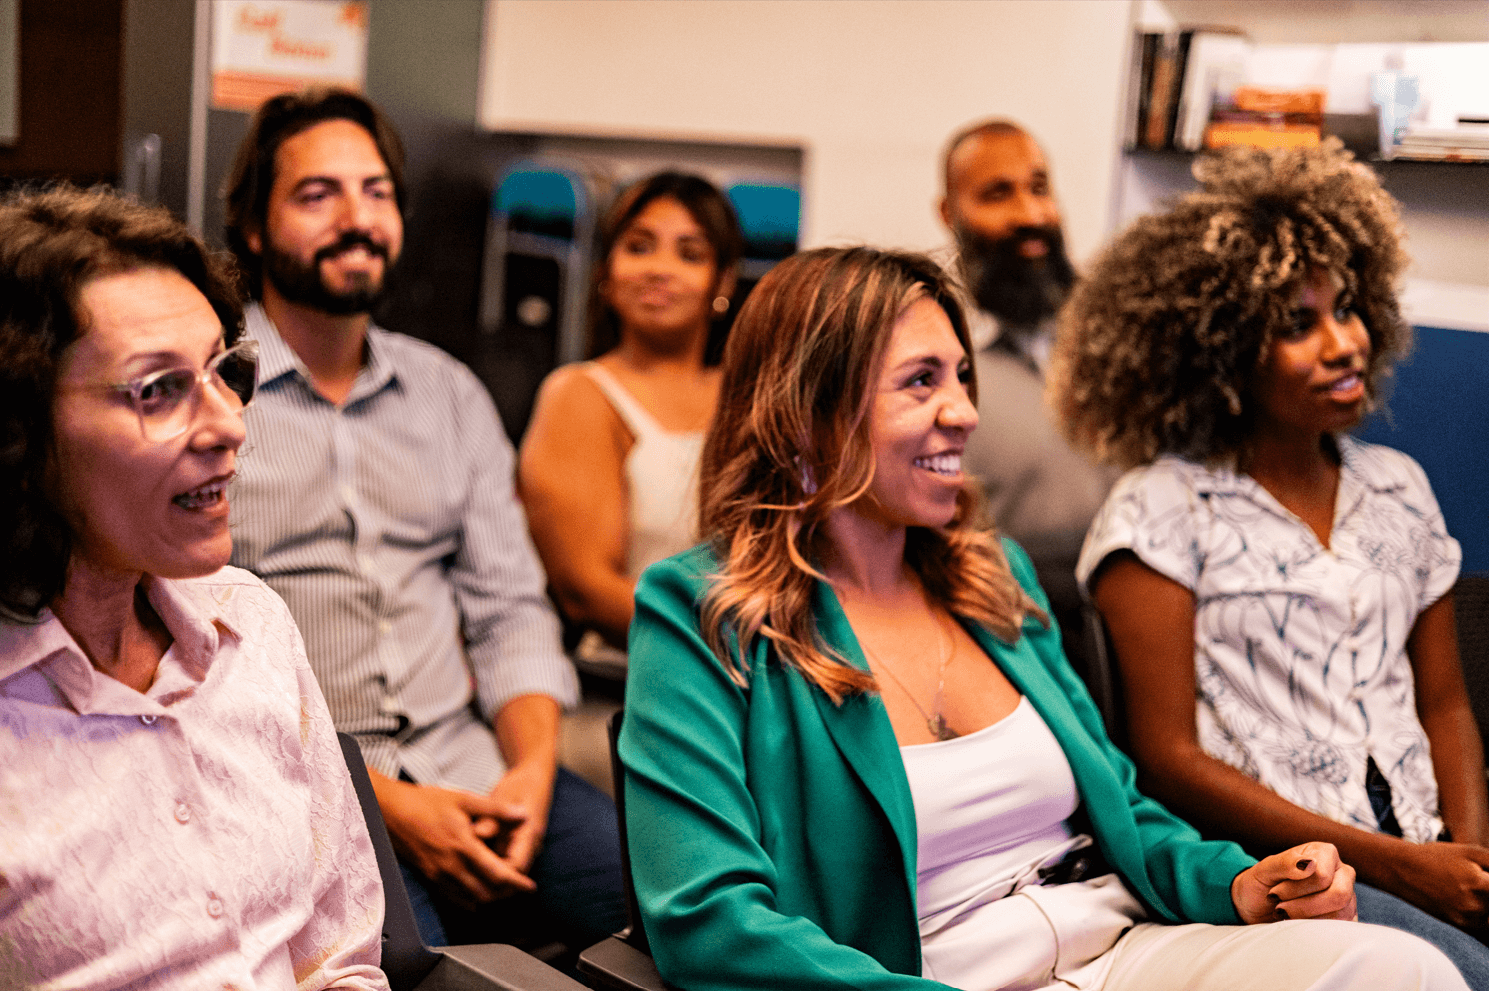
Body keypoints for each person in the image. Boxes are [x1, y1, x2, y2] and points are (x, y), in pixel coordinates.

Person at [619, 244, 1467, 991]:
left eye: (960, 377)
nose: (963, 411)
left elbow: (1125, 813)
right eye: (920, 381)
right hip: (929, 978)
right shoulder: (702, 612)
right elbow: (707, 919)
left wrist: (1245, 882)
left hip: (1121, 949)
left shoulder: (993, 579)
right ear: (807, 410)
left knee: (1402, 967)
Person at [1055, 140, 1489, 986]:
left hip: (1429, 844)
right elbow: (1166, 757)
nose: (1343, 344)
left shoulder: (1398, 485)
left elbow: (1444, 702)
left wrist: (1466, 862)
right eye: (1298, 324)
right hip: (1291, 870)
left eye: (1347, 310)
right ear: (1221, 351)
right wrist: (1400, 869)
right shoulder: (1159, 509)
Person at [222, 87, 625, 951]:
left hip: (481, 766)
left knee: (659, 918)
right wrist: (388, 802)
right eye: (316, 194)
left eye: (375, 192)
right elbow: (203, 654)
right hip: (311, 786)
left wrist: (530, 773)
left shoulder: (447, 393)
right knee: (419, 967)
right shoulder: (214, 396)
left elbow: (510, 604)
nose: (356, 218)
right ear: (254, 227)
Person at [0, 185, 387, 989]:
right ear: (19, 432)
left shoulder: (252, 623)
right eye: (159, 389)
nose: (229, 425)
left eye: (222, 371)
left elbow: (341, 954)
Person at [519, 171, 742, 674]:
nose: (660, 269)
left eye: (690, 254)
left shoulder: (750, 395)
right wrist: (737, 654)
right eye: (639, 247)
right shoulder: (579, 393)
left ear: (722, 281)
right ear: (607, 270)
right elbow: (586, 591)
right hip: (629, 686)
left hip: (755, 689)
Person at [938, 118, 1116, 675]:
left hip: (1142, 638)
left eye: (1039, 188)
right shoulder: (938, 353)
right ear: (950, 214)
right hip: (1002, 648)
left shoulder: (1122, 335)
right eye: (998, 194)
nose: (1030, 215)